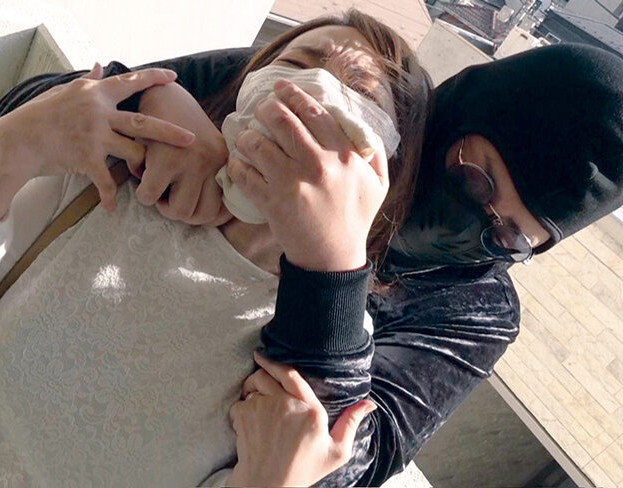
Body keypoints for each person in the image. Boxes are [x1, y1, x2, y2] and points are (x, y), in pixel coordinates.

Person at [0, 10, 431, 487]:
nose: (308, 95)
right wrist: (10, 144)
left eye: (357, 93)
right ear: (249, 81)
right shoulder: (121, 177)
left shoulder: (323, 347)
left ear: (385, 169)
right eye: (297, 62)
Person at [100, 42, 621, 486]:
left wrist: (331, 269)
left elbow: (352, 461)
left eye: (508, 237)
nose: (468, 227)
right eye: (474, 179)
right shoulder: (350, 102)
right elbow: (83, 99)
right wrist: (150, 107)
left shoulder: (477, 309)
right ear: (463, 110)